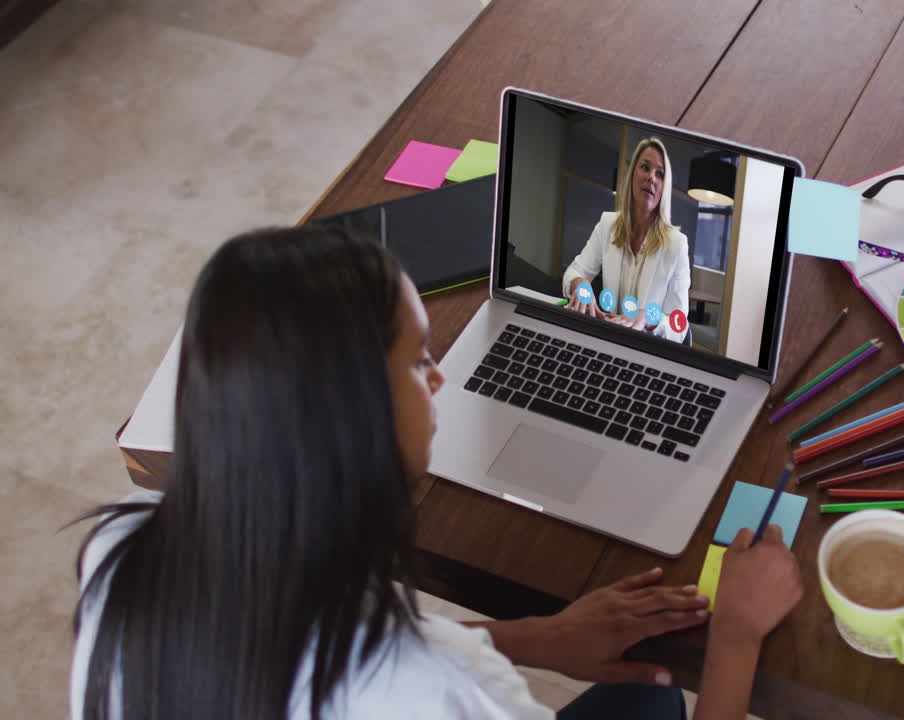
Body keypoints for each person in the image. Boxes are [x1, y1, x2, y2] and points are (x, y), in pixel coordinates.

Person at [71, 226, 801, 720]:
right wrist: (735, 634)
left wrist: (535, 638)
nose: (442, 379)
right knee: (661, 698)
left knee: (645, 699)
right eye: (420, 361)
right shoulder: (441, 694)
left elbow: (323, 644)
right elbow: (411, 674)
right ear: (359, 421)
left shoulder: (123, 553)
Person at [562, 138, 691, 343]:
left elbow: (679, 328)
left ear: (664, 188)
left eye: (660, 174)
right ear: (632, 175)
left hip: (645, 348)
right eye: (645, 167)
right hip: (606, 339)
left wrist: (649, 318)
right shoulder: (607, 224)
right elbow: (573, 272)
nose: (651, 178)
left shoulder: (677, 244)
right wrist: (579, 284)